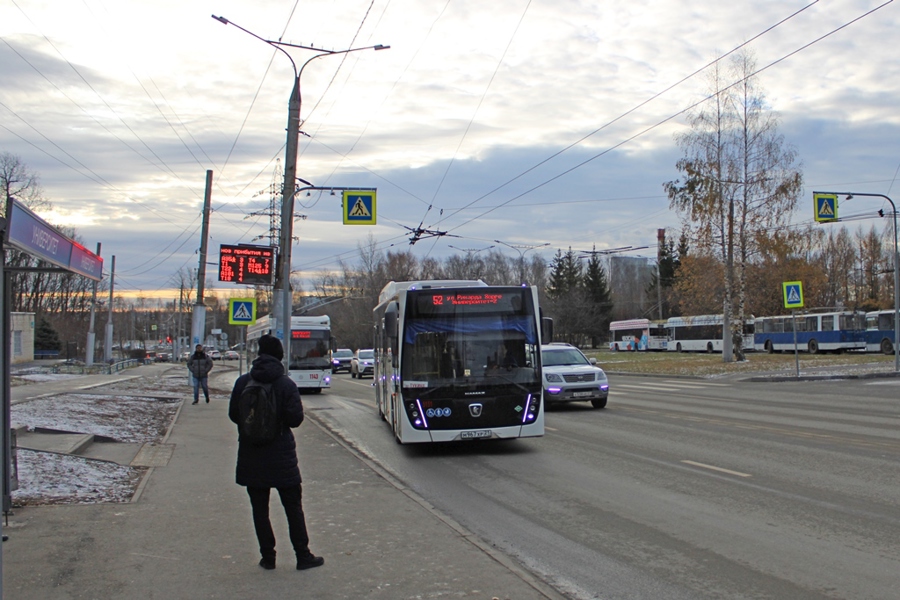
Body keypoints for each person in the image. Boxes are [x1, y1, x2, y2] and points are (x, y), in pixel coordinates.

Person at [228, 334, 324, 572]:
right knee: (293, 508)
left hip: (252, 455)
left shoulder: (243, 382)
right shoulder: (286, 384)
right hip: (281, 457)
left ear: (259, 353)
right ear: (280, 355)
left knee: (260, 510)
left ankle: (268, 558)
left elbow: (233, 415)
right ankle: (303, 556)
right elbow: (295, 419)